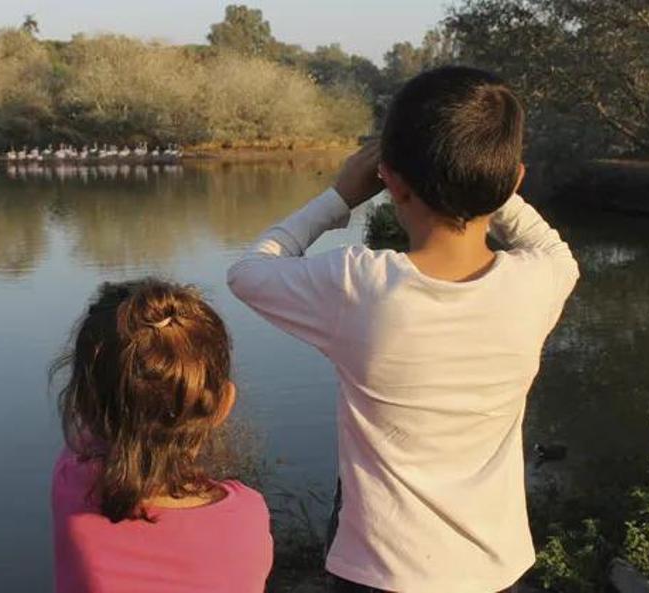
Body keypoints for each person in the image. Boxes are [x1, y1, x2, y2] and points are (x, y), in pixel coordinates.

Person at [227, 66, 580, 592]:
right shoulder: (540, 282)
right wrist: (488, 184)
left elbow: (249, 272)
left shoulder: (358, 285)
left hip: (378, 573)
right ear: (514, 180)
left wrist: (339, 196)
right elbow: (553, 248)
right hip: (497, 572)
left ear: (389, 178)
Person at [50, 278, 273, 593]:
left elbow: (89, 424)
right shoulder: (248, 515)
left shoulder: (73, 484)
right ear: (223, 404)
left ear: (83, 404)